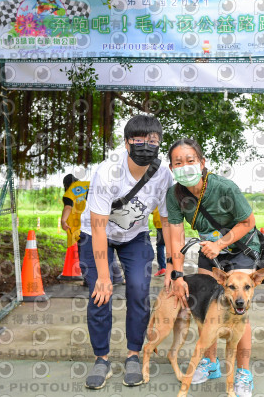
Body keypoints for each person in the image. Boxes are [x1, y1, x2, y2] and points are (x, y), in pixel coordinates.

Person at [78, 114, 173, 390]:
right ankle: (102, 359)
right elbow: (98, 228)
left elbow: (167, 223)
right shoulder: (108, 171)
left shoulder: (162, 174)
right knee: (100, 294)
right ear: (127, 142)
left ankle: (133, 355)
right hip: (96, 235)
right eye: (139, 140)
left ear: (159, 144)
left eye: (152, 140)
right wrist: (105, 277)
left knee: (139, 290)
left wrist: (173, 266)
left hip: (135, 236)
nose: (146, 145)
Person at [165, 138, 261, 397]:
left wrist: (220, 244)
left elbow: (248, 222)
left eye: (190, 160)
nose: (185, 166)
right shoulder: (175, 195)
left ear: (202, 162)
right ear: (172, 168)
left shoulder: (224, 187)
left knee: (239, 310)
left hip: (239, 250)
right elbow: (176, 236)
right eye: (178, 162)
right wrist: (176, 274)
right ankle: (210, 364)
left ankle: (243, 373)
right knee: (207, 308)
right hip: (210, 253)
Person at [61, 174, 124, 285]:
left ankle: (88, 281)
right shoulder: (90, 184)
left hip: (82, 227)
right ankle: (117, 277)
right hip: (101, 221)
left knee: (85, 254)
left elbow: (68, 207)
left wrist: (63, 220)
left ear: (66, 185)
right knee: (106, 249)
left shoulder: (70, 191)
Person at [152, 207, 166, 276]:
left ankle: (162, 268)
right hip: (173, 223)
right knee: (172, 245)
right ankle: (174, 268)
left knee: (160, 246)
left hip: (161, 224)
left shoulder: (158, 196)